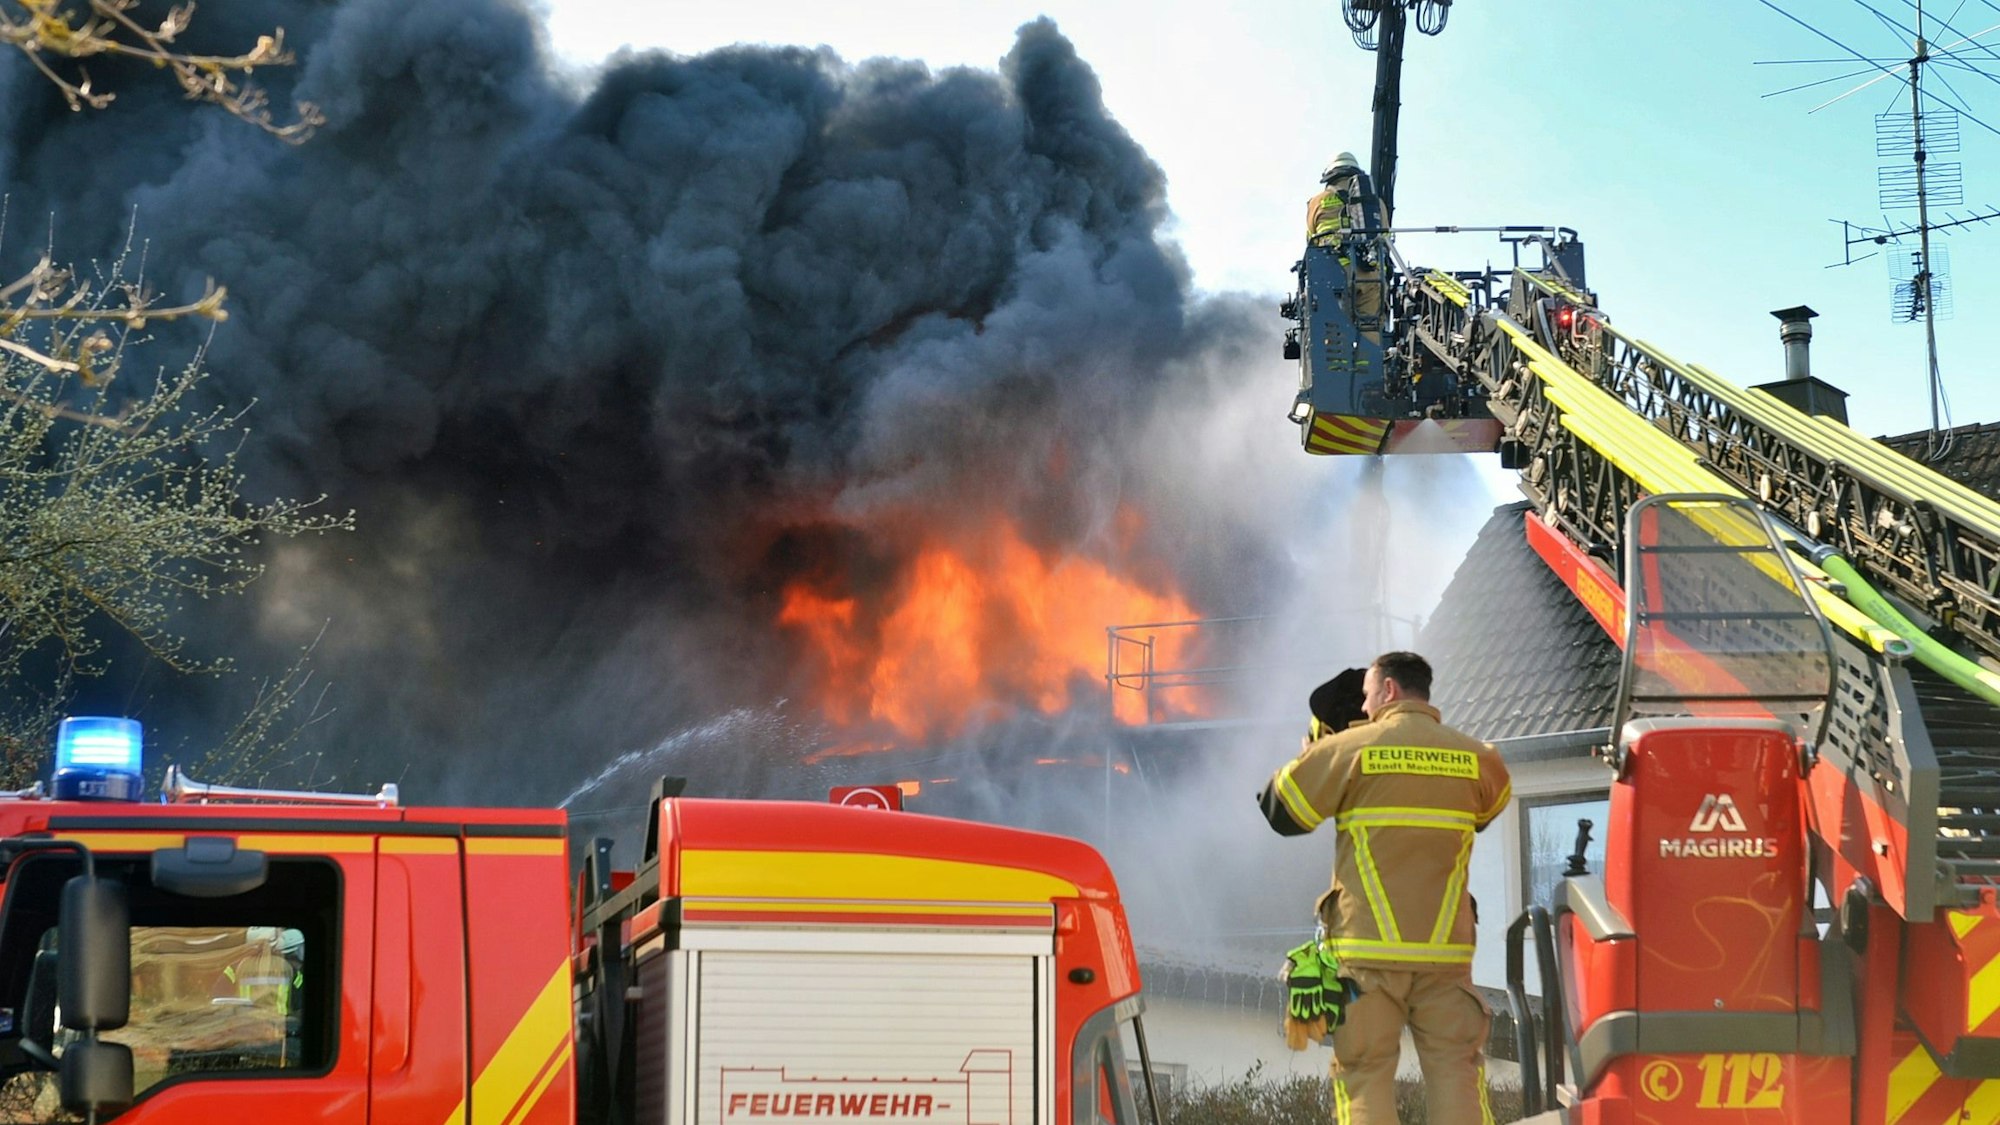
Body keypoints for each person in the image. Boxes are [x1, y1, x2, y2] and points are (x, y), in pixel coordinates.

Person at [1258, 652, 1511, 1125]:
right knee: (1456, 1072)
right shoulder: (1479, 758)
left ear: (1390, 690)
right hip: (1444, 957)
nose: (1366, 705)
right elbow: (1488, 809)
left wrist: (1316, 747)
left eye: (1370, 694)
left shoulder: (1352, 749)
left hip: (1365, 954)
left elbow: (1280, 810)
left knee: (1365, 1074)